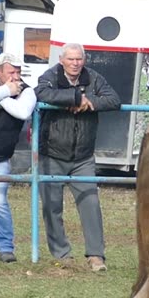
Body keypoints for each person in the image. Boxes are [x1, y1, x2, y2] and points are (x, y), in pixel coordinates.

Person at [35, 43, 120, 273]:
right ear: (62, 60)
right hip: (52, 154)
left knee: (91, 204)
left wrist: (89, 102)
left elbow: (114, 100)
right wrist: (74, 98)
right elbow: (41, 93)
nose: (75, 63)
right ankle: (62, 254)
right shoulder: (49, 75)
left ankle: (96, 255)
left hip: (83, 156)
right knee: (52, 207)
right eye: (71, 59)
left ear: (84, 60)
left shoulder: (93, 77)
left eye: (79, 59)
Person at [0, 53, 35, 265]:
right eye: (11, 71)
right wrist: (6, 92)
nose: (16, 76)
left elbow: (22, 112)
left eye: (18, 71)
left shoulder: (26, 90)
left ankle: (6, 249)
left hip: (0, 158)